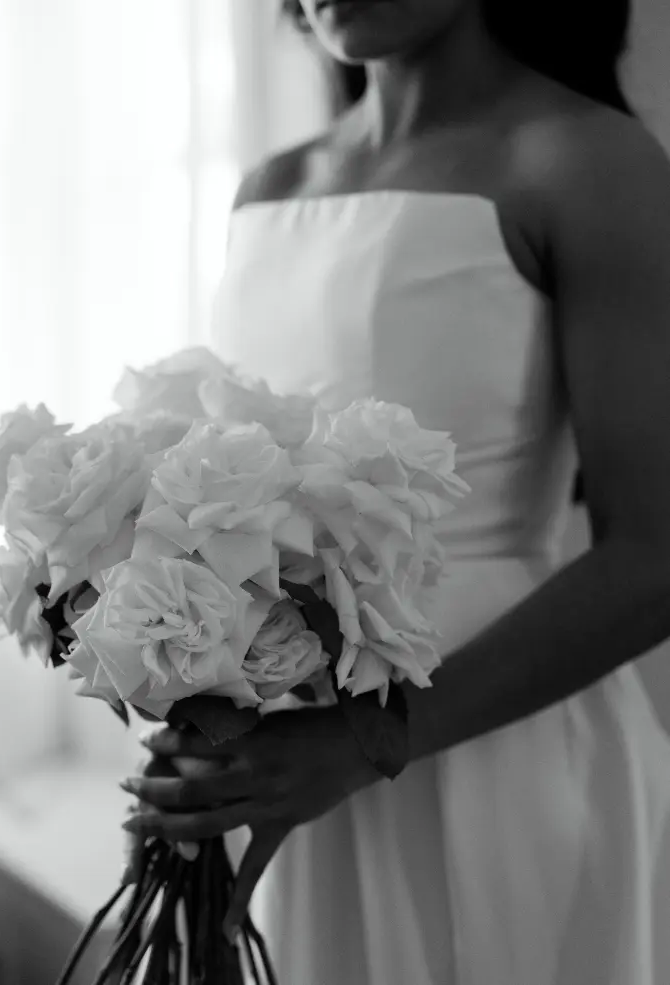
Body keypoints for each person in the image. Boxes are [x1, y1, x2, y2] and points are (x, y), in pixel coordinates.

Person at [123, 1, 670, 981]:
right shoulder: (269, 189)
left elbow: (656, 557)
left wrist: (362, 741)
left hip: (497, 746)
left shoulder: (587, 162)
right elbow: (240, 514)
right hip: (293, 762)